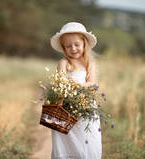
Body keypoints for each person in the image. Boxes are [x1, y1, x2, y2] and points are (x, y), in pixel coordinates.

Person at [50, 22, 102, 159]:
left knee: (87, 138)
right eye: (68, 46)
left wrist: (80, 85)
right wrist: (66, 85)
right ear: (63, 48)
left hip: (85, 106)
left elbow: (93, 83)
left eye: (77, 44)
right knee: (65, 138)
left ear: (84, 44)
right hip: (66, 106)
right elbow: (59, 81)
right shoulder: (64, 63)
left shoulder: (89, 63)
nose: (73, 48)